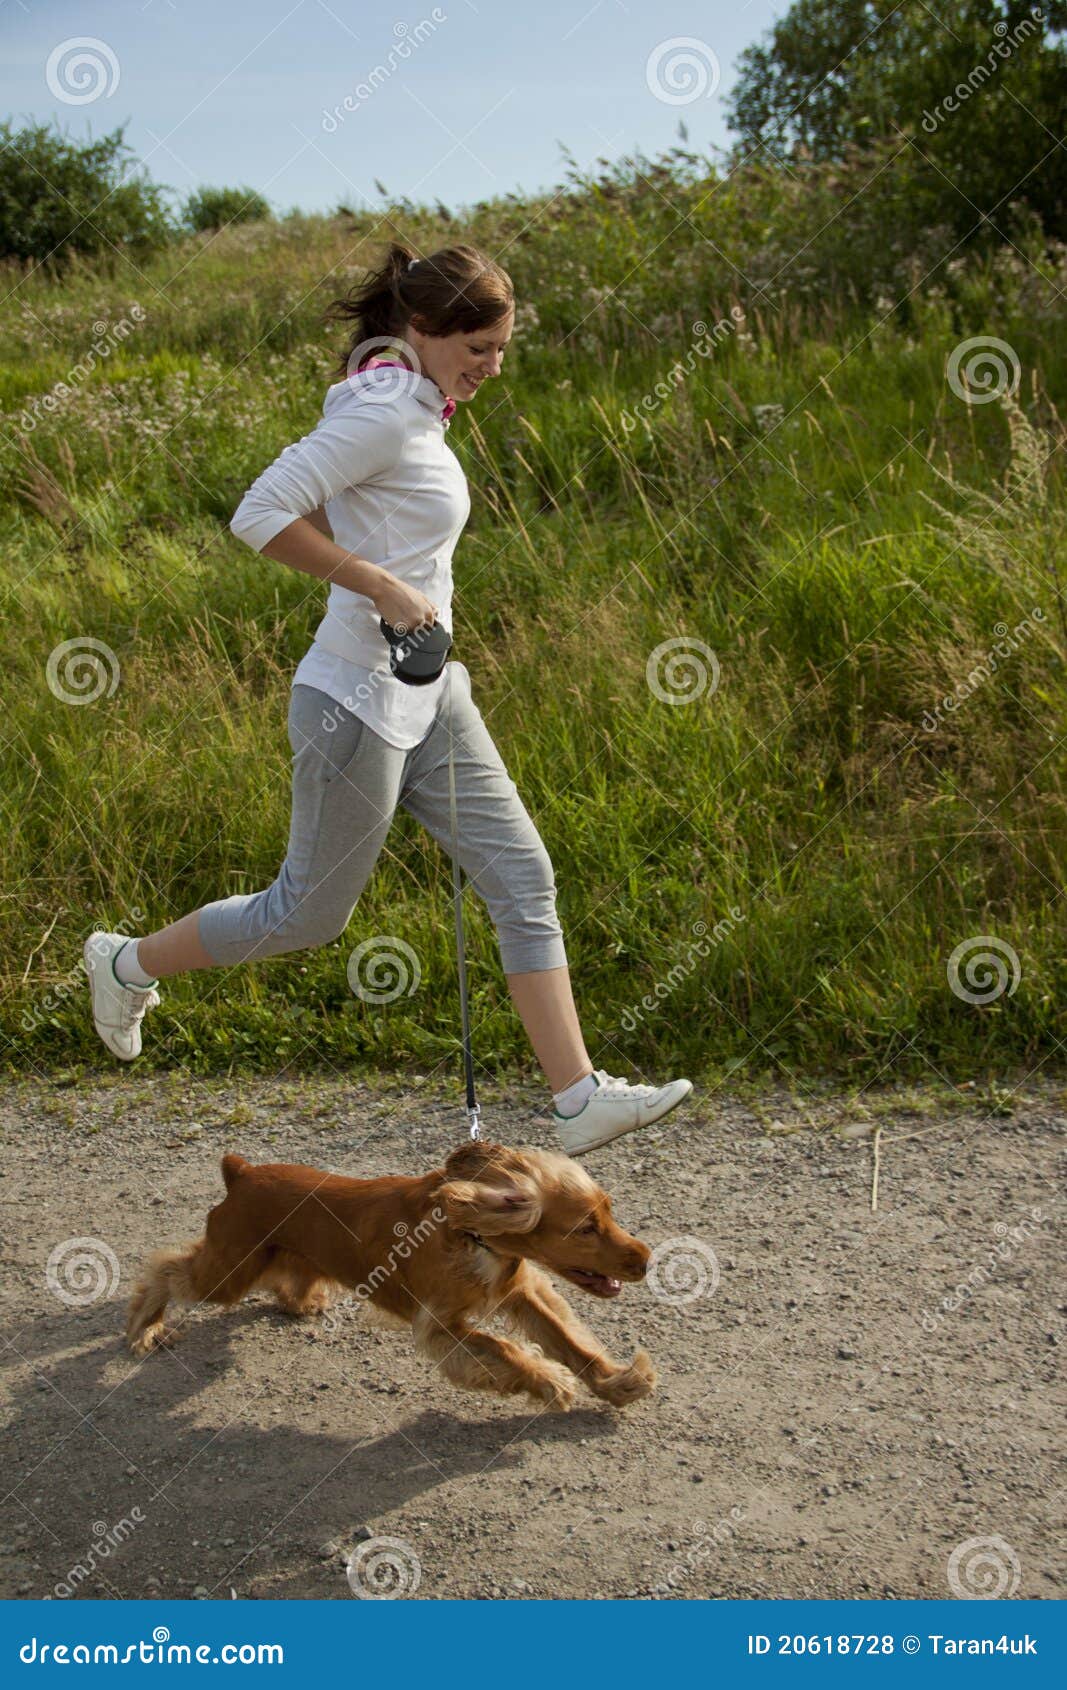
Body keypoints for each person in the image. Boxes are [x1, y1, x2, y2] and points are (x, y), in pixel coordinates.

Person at [83, 241, 693, 1156]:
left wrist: (399, 590)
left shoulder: (415, 407)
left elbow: (347, 506)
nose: (493, 368)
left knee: (522, 876)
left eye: (501, 348)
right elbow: (258, 513)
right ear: (422, 330)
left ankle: (576, 1097)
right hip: (352, 703)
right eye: (478, 349)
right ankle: (123, 963)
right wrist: (376, 585)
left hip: (430, 693)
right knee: (305, 915)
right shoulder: (382, 412)